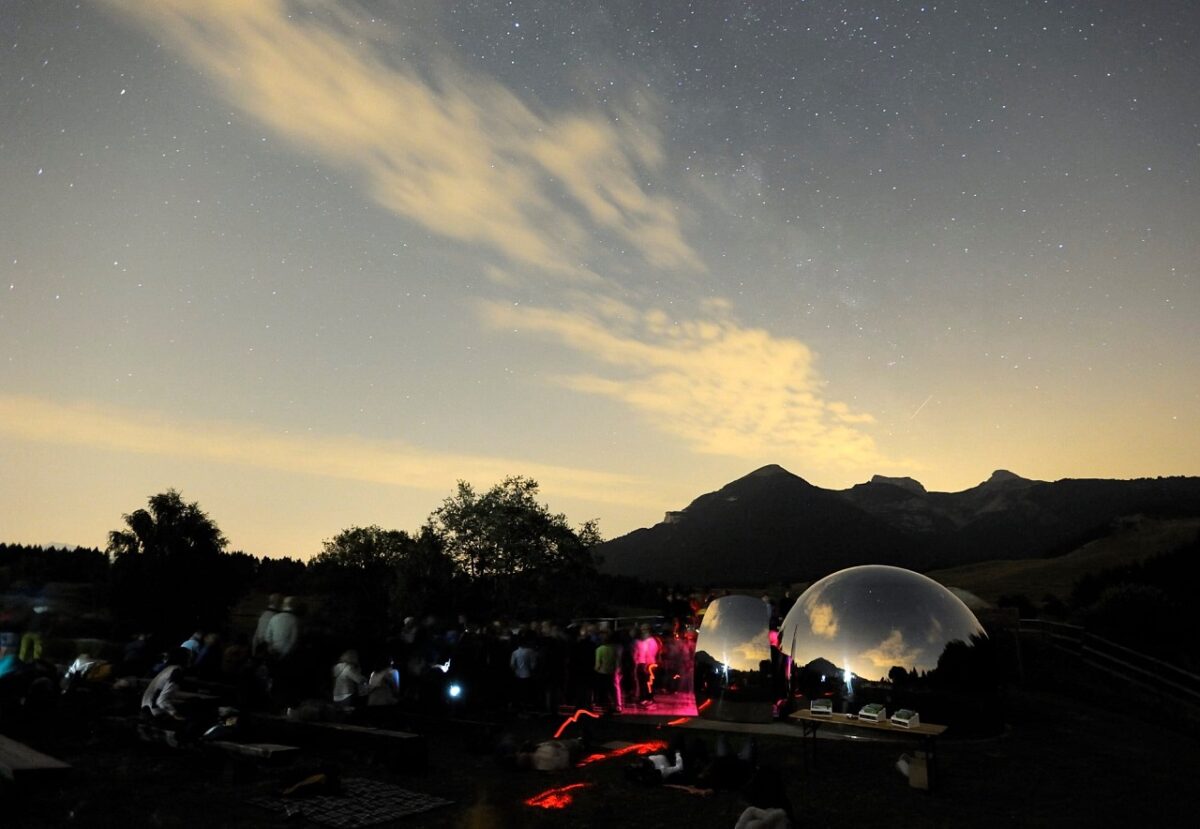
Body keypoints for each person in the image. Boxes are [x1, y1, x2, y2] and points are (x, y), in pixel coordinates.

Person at [633, 624, 660, 707]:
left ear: (648, 631)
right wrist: (636, 663)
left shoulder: (651, 641)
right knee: (642, 682)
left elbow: (651, 653)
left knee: (648, 683)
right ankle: (643, 698)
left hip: (648, 664)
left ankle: (648, 698)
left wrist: (647, 665)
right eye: (641, 630)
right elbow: (636, 653)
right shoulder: (639, 641)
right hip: (641, 664)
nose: (642, 631)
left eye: (644, 630)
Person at [593, 631, 619, 713]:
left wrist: (595, 670)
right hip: (612, 672)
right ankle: (615, 706)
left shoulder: (599, 649)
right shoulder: (614, 649)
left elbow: (598, 664)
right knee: (612, 690)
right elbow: (617, 662)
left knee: (603, 690)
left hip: (602, 672)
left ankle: (606, 706)